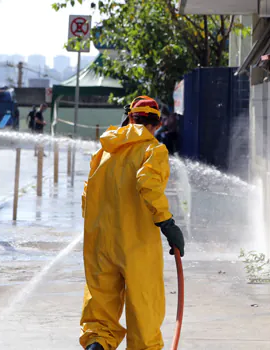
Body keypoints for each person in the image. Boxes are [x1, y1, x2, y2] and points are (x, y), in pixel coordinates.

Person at [80, 97, 185, 350]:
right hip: (136, 246)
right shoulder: (153, 150)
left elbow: (87, 196)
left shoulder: (105, 151)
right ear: (156, 124)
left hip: (99, 245)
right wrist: (167, 223)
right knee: (144, 318)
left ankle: (97, 344)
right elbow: (147, 184)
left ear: (130, 119)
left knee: (100, 318)